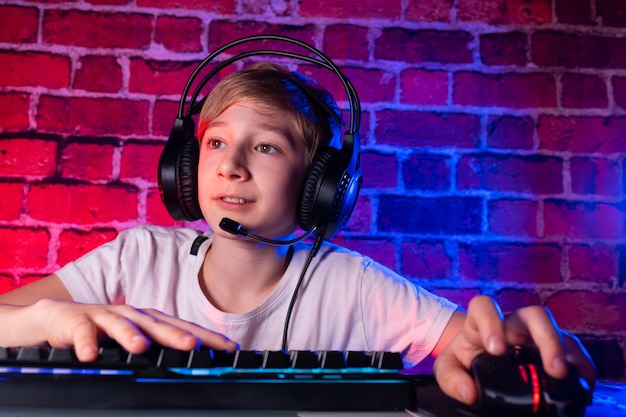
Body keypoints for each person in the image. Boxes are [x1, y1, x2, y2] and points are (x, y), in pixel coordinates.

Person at [0, 62, 595, 406]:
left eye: (264, 146)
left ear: (321, 186)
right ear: (185, 168)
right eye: (214, 143)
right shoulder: (135, 258)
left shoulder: (353, 285)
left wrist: (540, 360)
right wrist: (43, 318)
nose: (230, 165)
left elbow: (488, 354)